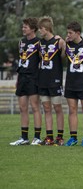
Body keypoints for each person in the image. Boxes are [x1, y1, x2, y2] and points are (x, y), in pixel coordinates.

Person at [10, 18, 42, 146]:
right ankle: (24, 137)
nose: (23, 29)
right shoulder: (21, 42)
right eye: (23, 27)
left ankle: (37, 137)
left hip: (33, 77)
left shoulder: (39, 43)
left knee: (35, 107)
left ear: (33, 29)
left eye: (26, 27)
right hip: (22, 77)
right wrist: (18, 79)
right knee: (23, 108)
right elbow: (21, 61)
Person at [63, 21, 83, 147]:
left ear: (78, 33)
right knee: (72, 110)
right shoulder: (67, 45)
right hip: (70, 81)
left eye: (70, 33)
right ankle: (73, 137)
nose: (68, 35)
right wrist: (64, 43)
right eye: (67, 33)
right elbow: (60, 57)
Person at [37, 16, 66, 146]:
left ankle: (59, 137)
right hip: (43, 79)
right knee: (46, 108)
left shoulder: (59, 42)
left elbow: (64, 56)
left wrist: (64, 43)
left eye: (40, 29)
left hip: (55, 80)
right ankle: (49, 137)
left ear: (47, 28)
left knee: (57, 108)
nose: (39, 31)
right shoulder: (40, 43)